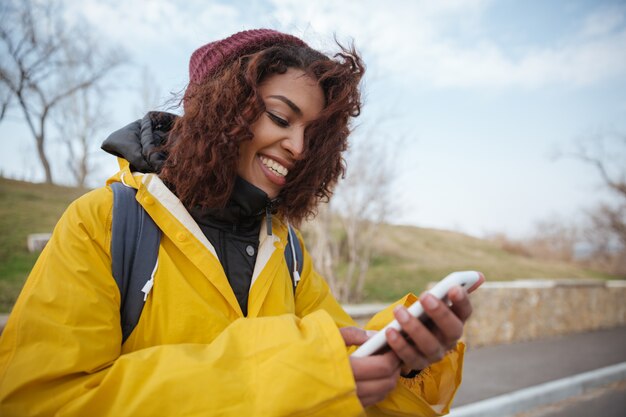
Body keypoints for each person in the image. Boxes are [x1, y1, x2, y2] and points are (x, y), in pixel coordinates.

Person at [0, 29, 473, 416]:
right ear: (220, 106)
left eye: (313, 134)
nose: (299, 148)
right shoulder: (103, 222)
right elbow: (38, 401)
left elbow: (341, 370)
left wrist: (401, 357)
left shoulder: (286, 252)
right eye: (280, 117)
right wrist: (289, 372)